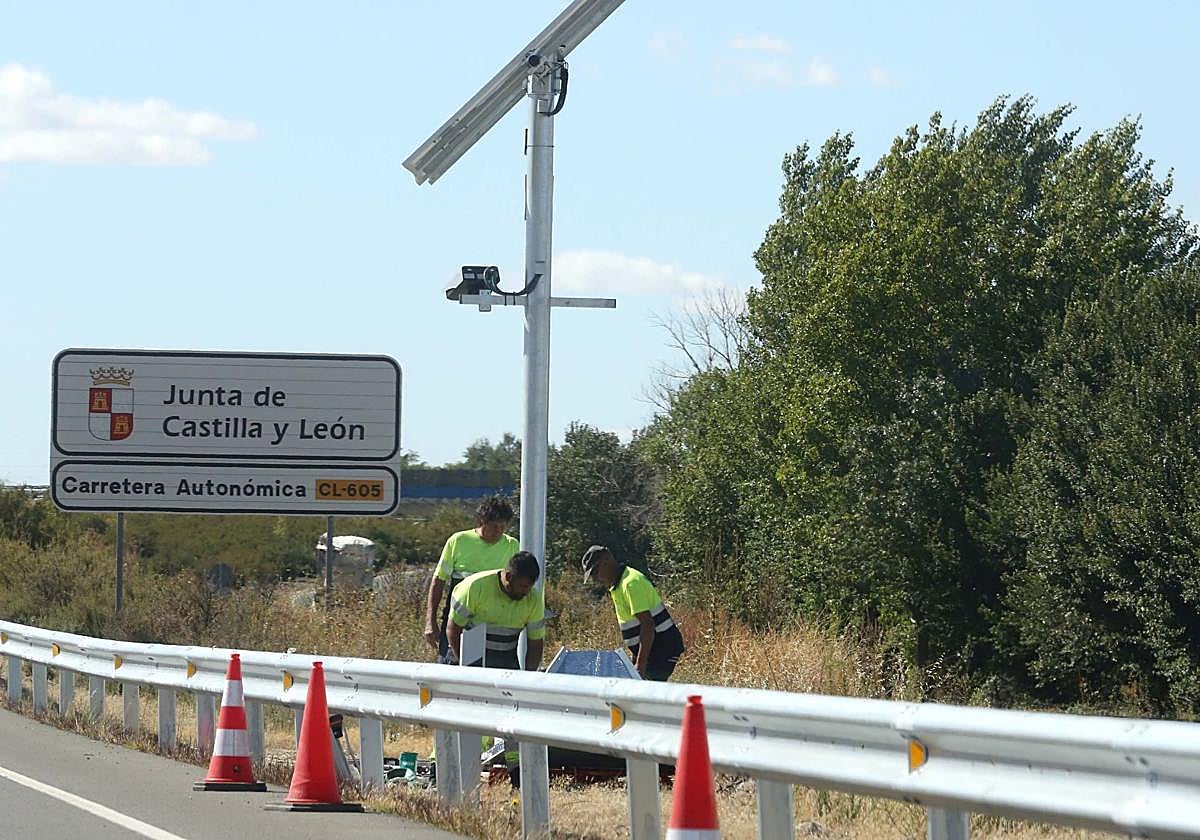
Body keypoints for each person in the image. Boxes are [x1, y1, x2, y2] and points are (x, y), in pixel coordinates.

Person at [424, 495, 518, 657]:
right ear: (482, 521)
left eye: (502, 527)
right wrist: (430, 621)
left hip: (495, 623)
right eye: (493, 526)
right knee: (451, 664)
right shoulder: (458, 541)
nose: (498, 531)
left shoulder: (512, 545)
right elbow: (439, 581)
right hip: (457, 620)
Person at [580, 545, 684, 681]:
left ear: (606, 560)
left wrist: (640, 664)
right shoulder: (619, 585)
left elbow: (648, 625)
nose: (595, 579)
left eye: (595, 572)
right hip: (652, 650)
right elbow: (637, 627)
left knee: (648, 691)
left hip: (662, 649)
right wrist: (636, 659)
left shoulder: (630, 583)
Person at [446, 551, 545, 672]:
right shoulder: (474, 587)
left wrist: (529, 676)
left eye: (529, 587)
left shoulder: (533, 598)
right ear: (508, 577)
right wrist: (467, 669)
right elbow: (453, 629)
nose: (526, 592)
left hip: (506, 659)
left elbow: (535, 643)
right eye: (522, 586)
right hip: (465, 654)